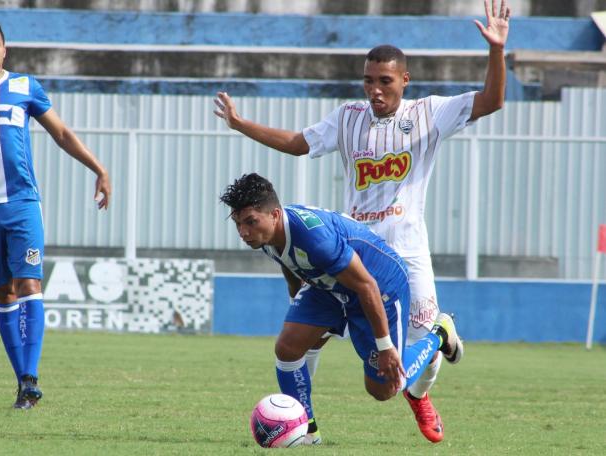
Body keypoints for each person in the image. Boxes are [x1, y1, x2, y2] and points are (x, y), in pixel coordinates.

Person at [214, 0, 510, 442]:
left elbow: (491, 101)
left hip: (405, 252)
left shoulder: (429, 113)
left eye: (384, 81)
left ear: (404, 81)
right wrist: (240, 124)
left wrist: (496, 51)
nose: (375, 89)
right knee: (301, 339)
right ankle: (302, 424)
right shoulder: (349, 118)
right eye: (368, 80)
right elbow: (298, 143)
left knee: (411, 370)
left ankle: (431, 361)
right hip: (354, 251)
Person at [0, 18, 111, 410]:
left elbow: (62, 134)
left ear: (5, 49)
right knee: (2, 291)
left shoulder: (26, 87)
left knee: (30, 284)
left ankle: (31, 377)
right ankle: (23, 383)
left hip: (22, 203)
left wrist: (99, 169)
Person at [220, 173, 463, 444]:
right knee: (288, 348)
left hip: (379, 284)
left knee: (385, 387)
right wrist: (297, 309)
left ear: (275, 214)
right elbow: (289, 264)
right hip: (330, 284)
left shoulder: (314, 239)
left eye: (250, 222)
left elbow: (367, 286)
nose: (243, 232)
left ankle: (439, 334)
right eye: (238, 223)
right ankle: (308, 432)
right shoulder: (266, 237)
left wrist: (384, 347)